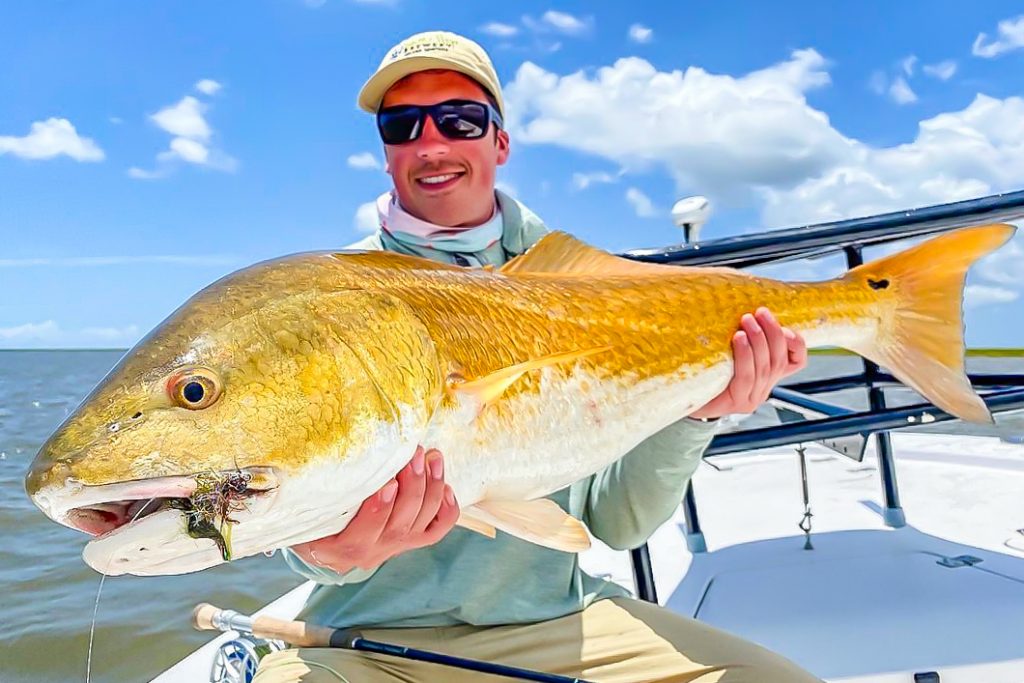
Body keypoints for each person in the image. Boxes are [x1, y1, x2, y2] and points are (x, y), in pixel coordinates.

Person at [254, 31, 819, 683]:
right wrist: (327, 552)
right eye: (402, 124)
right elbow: (280, 497)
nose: (431, 144)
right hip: (368, 639)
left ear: (500, 141)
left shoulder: (580, 290)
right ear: (385, 152)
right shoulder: (332, 298)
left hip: (560, 623)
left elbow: (618, 519)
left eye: (460, 119)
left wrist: (699, 414)